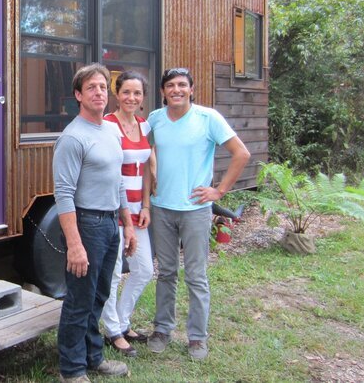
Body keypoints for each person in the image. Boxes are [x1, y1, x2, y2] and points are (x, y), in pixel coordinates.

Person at [146, 67, 250, 360]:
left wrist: (219, 191)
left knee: (195, 275)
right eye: (170, 85)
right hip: (163, 207)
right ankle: (162, 329)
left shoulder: (208, 119)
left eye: (182, 85)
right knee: (166, 272)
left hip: (195, 210)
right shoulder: (155, 119)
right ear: (163, 91)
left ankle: (197, 338)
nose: (176, 90)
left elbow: (241, 153)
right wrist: (153, 171)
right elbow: (143, 148)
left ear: (191, 89)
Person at [53, 63, 136, 382]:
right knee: (79, 300)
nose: (99, 92)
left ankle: (92, 356)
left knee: (99, 296)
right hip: (85, 225)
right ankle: (71, 370)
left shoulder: (110, 131)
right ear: (78, 95)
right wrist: (74, 245)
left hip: (109, 224)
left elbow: (118, 181)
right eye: (91, 87)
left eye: (103, 86)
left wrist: (126, 224)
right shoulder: (73, 138)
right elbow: (63, 194)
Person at [99, 71, 155, 358]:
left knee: (144, 269)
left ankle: (122, 320)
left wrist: (145, 206)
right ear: (116, 94)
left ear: (143, 97)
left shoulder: (145, 126)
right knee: (112, 273)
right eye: (126, 92)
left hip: (137, 211)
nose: (131, 98)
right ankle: (112, 330)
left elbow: (145, 170)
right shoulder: (107, 125)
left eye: (137, 93)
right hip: (113, 210)